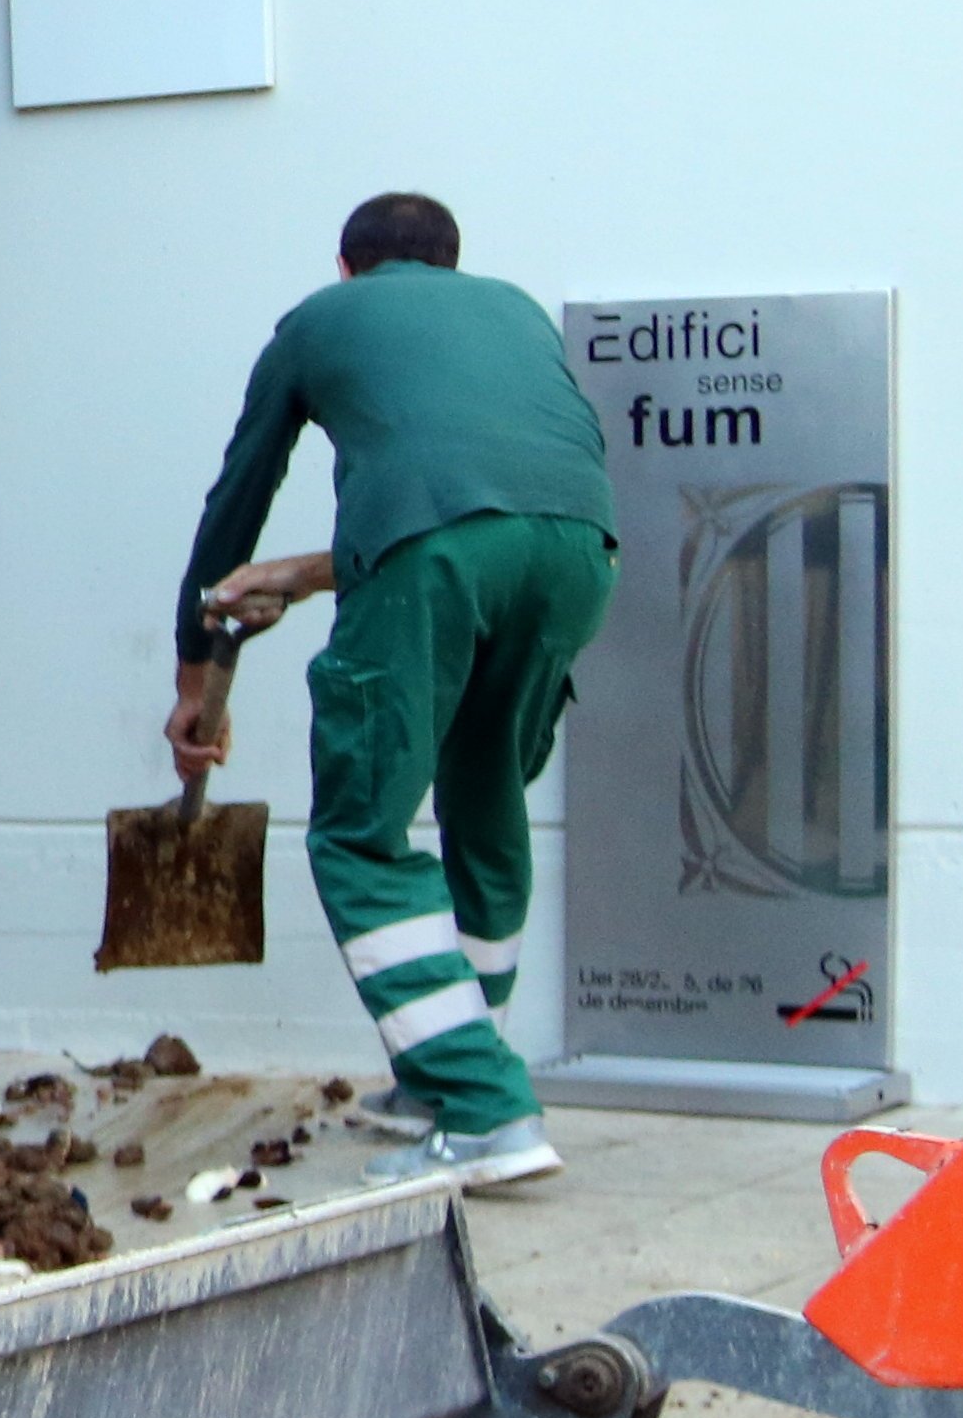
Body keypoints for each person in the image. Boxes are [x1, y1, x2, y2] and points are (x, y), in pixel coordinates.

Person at [164, 187, 621, 1192]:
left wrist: (194, 675)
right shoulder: (510, 312)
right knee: (485, 797)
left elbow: (236, 499)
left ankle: (482, 1107)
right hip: (578, 552)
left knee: (359, 833)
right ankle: (453, 1071)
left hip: (435, 559)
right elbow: (481, 500)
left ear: (345, 268)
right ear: (448, 265)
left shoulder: (318, 322)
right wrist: (300, 574)